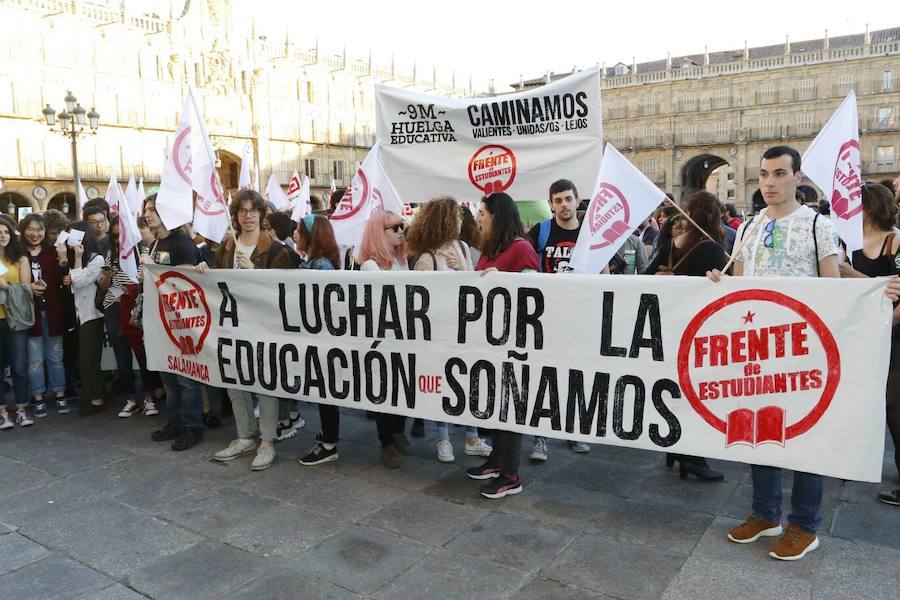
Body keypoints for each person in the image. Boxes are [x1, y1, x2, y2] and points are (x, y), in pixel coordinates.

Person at [708, 146, 840, 561]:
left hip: (802, 349)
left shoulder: (818, 226)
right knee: (759, 429)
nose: (769, 182)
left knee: (804, 433)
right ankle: (765, 514)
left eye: (779, 174)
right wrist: (720, 284)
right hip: (757, 349)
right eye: (764, 174)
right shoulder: (748, 227)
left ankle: (805, 524)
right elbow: (740, 286)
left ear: (797, 178)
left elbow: (833, 289)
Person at [645, 192, 727, 482]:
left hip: (669, 325)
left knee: (677, 389)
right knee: (696, 393)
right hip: (698, 331)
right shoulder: (715, 250)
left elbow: (643, 278)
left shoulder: (670, 244)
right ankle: (693, 458)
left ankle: (676, 449)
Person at [406, 196, 492, 463]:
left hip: (464, 331)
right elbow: (419, 301)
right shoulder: (427, 257)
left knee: (467, 384)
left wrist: (462, 269)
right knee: (441, 386)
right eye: (454, 217)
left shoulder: (464, 248)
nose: (460, 221)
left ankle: (471, 437)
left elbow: (472, 286)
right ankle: (443, 438)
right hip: (439, 334)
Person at [212, 190, 293, 471]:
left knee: (264, 384)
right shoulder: (226, 248)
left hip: (263, 329)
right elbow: (216, 282)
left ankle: (267, 441)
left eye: (253, 210)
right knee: (235, 383)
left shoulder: (275, 250)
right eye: (242, 211)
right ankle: (245, 436)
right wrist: (203, 271)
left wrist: (255, 274)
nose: (248, 215)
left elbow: (280, 293)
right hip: (233, 326)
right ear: (235, 215)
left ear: (261, 214)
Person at [466, 192, 540, 499]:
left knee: (509, 406)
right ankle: (498, 460)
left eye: (483, 213)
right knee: (495, 404)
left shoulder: (521, 249)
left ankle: (511, 474)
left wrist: (505, 280)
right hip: (489, 340)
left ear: (498, 216)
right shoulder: (490, 249)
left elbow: (536, 289)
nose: (479, 218)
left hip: (512, 343)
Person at [835, 182, 900, 507]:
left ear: (871, 207)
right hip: (860, 336)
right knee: (855, 399)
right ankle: (850, 460)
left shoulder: (895, 242)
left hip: (893, 338)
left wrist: (850, 273)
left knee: (894, 406)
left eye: (855, 205)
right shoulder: (852, 244)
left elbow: (897, 293)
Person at [526, 179, 592, 460]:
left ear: (578, 201)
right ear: (551, 204)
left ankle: (574, 429)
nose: (564, 205)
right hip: (545, 316)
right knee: (545, 376)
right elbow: (521, 258)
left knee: (576, 375)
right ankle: (541, 436)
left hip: (578, 315)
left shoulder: (590, 234)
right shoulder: (541, 231)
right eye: (558, 200)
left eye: (568, 199)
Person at [141, 194, 205, 451]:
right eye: (146, 209)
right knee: (168, 375)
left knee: (187, 378)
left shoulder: (182, 243)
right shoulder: (157, 243)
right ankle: (176, 421)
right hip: (162, 320)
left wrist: (155, 269)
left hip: (183, 323)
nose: (147, 214)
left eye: (153, 209)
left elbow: (189, 282)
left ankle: (192, 426)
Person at [358, 210, 416, 469]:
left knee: (403, 386)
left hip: (404, 336)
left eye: (401, 226)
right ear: (377, 234)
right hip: (381, 339)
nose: (400, 231)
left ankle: (398, 431)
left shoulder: (402, 260)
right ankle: (386, 443)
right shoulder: (370, 266)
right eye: (394, 228)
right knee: (384, 391)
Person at [295, 215, 344, 466]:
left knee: (326, 392)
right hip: (319, 338)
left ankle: (329, 443)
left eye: (299, 230)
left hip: (323, 339)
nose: (295, 233)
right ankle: (327, 437)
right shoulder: (315, 261)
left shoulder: (321, 265)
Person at [18, 214, 68, 417]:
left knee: (56, 356)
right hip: (30, 314)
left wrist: (63, 259)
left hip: (53, 310)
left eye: (39, 229)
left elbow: (62, 279)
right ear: (23, 231)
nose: (35, 233)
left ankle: (60, 393)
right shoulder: (18, 253)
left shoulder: (52, 251)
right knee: (34, 359)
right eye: (30, 229)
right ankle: (38, 396)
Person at [67, 222, 106, 416]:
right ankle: (91, 394)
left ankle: (97, 399)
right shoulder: (76, 258)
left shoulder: (96, 259)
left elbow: (81, 281)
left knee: (89, 359)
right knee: (82, 359)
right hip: (78, 315)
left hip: (91, 314)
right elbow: (73, 283)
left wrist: (77, 259)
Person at [0, 215, 33, 428]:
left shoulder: (20, 258)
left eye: (5, 232)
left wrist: (5, 287)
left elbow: (26, 289)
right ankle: (2, 412)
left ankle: (21, 408)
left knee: (20, 366)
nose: (1, 236)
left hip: (15, 319)